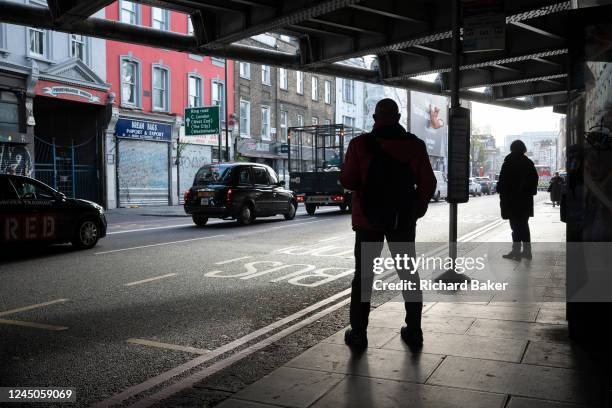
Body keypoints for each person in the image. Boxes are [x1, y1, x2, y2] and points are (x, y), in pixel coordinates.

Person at [340, 98, 436, 351]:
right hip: (402, 220)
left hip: (367, 220)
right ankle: (414, 330)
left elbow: (348, 181)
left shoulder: (359, 144)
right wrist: (416, 209)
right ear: (398, 117)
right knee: (408, 274)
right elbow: (428, 183)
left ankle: (359, 332)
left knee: (364, 276)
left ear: (375, 118)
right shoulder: (414, 145)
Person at [497, 140, 539, 261]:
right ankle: (526, 251)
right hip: (525, 200)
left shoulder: (509, 162)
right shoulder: (528, 162)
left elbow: (503, 181)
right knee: (524, 226)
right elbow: (534, 180)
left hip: (512, 200)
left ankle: (516, 251)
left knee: (515, 226)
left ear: (512, 149)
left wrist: (501, 191)